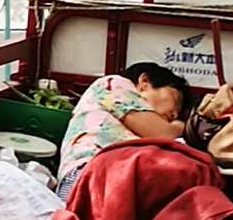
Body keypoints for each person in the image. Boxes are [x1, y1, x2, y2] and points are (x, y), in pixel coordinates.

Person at [55, 62, 194, 200]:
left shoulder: (136, 125)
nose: (175, 114)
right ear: (144, 81)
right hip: (88, 176)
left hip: (114, 182)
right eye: (176, 100)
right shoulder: (113, 84)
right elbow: (164, 133)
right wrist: (181, 126)